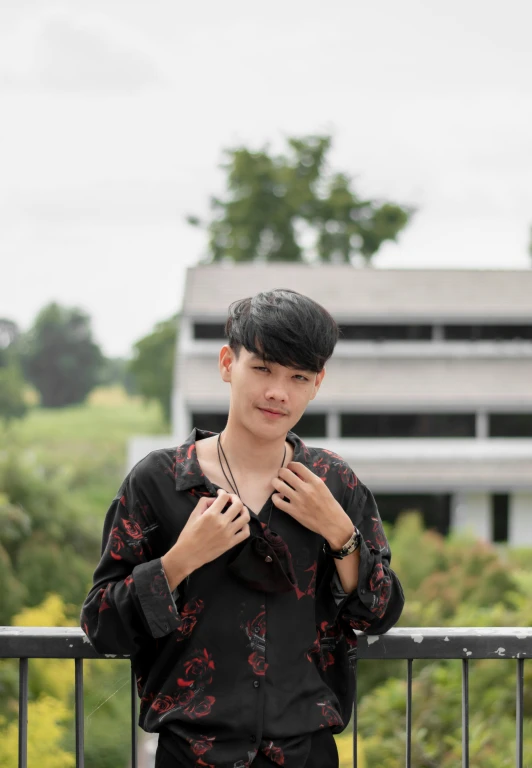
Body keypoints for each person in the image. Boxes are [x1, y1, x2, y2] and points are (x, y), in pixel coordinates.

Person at [80, 288, 404, 768]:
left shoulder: (333, 483)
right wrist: (179, 560)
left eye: (298, 376)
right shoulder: (160, 481)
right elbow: (101, 624)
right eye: (263, 369)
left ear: (317, 384)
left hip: (306, 751)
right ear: (228, 363)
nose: (279, 392)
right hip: (191, 753)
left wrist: (341, 535)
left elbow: (380, 613)